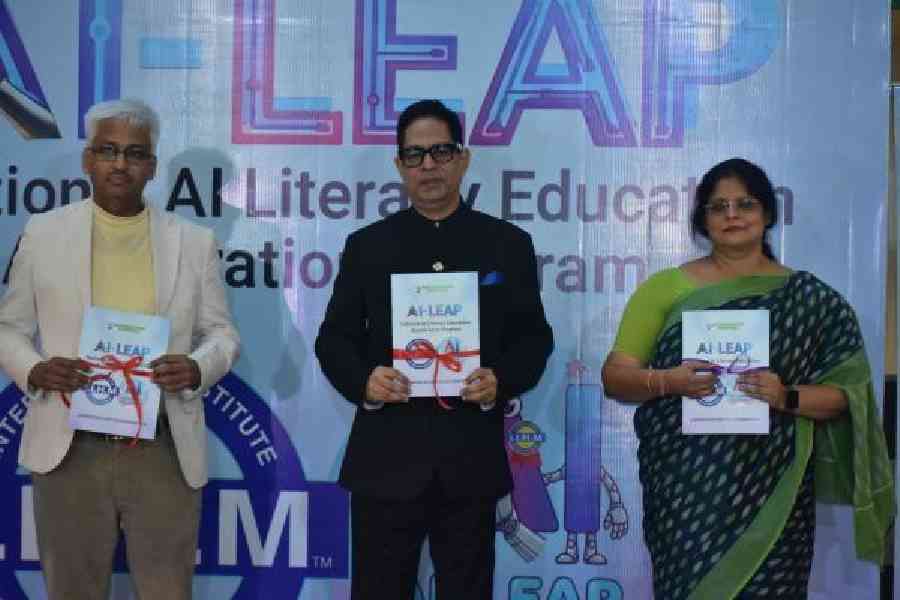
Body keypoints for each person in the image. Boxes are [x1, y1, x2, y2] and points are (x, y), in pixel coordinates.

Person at [601, 158, 893, 599]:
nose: (732, 215)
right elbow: (615, 376)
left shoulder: (810, 298)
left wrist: (786, 395)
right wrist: (669, 382)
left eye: (745, 204)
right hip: (686, 494)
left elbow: (845, 397)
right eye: (718, 207)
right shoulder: (665, 288)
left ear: (768, 214)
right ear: (703, 220)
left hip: (775, 494)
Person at [0, 99, 240, 599]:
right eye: (108, 150)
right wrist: (36, 368)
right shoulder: (43, 234)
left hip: (163, 443)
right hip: (69, 445)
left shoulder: (194, 242)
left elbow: (223, 334)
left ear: (151, 167)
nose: (120, 164)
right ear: (88, 159)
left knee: (166, 591)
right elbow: (8, 328)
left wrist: (197, 367)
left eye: (134, 154)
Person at [315, 99, 553, 599]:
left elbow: (534, 338)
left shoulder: (506, 244)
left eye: (441, 152)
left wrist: (500, 379)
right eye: (415, 155)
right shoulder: (368, 246)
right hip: (386, 459)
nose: (428, 166)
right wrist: (366, 381)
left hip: (470, 458)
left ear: (463, 159)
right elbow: (334, 339)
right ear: (399, 164)